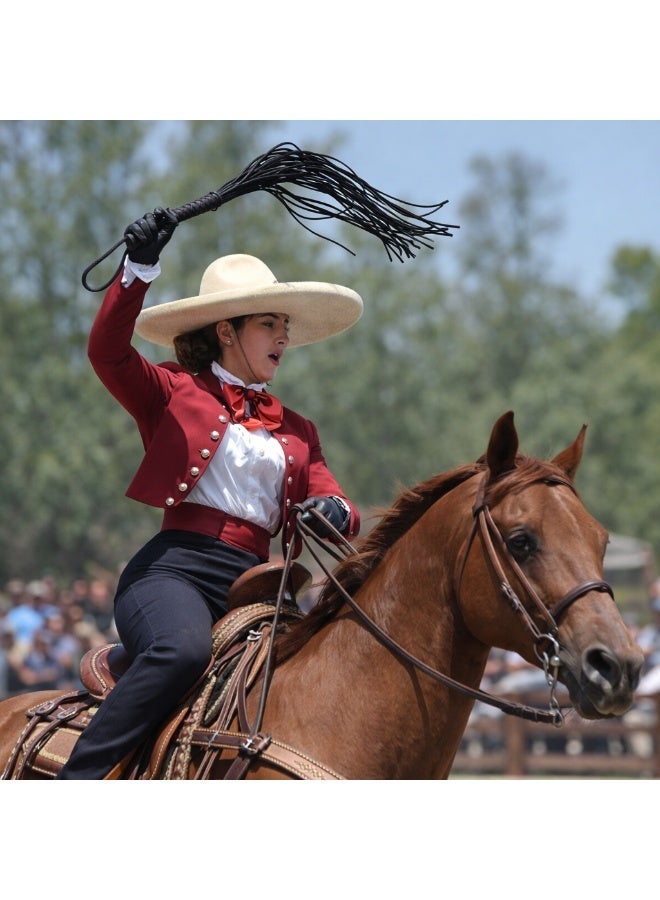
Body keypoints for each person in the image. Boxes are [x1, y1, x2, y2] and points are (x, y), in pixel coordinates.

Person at [57, 208, 362, 778]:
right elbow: (108, 353)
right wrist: (138, 270)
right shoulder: (172, 391)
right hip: (171, 573)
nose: (284, 337)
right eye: (270, 324)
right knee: (183, 651)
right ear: (227, 331)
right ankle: (75, 785)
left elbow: (341, 507)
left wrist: (332, 510)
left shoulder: (298, 429)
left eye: (284, 326)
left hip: (258, 586)